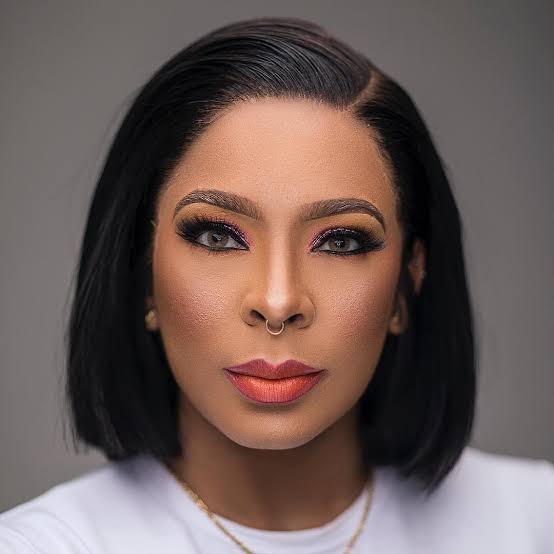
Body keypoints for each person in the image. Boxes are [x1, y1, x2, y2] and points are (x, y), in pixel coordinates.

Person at [1, 15, 552, 554]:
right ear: (142, 272)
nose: (278, 301)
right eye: (218, 236)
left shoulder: (535, 523)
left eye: (340, 242)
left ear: (408, 283)